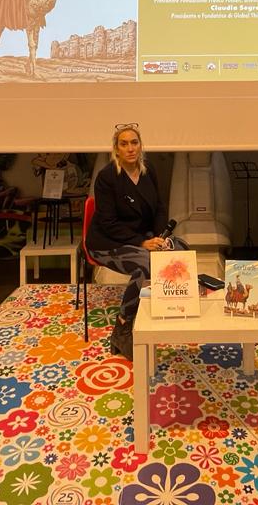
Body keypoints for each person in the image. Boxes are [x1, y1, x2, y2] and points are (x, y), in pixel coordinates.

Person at [87, 123, 170, 361]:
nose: (130, 148)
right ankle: (122, 328)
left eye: (134, 142)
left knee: (178, 248)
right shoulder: (107, 177)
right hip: (106, 241)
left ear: (140, 146)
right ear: (116, 149)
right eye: (124, 144)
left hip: (139, 237)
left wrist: (160, 236)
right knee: (146, 264)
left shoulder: (148, 170)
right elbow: (108, 223)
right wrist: (142, 243)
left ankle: (165, 313)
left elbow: (159, 207)